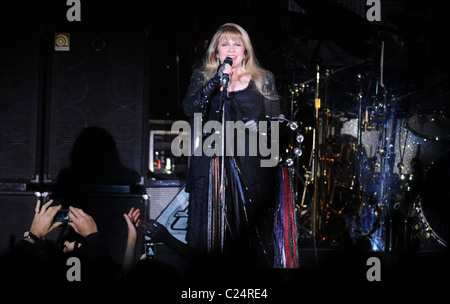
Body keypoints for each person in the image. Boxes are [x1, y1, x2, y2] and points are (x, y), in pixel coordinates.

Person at [181, 23, 283, 267]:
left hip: (251, 168)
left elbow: (276, 123)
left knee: (251, 240)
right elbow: (189, 109)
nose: (232, 49)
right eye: (225, 44)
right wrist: (215, 80)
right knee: (210, 238)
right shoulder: (203, 77)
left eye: (238, 44)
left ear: (246, 52)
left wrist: (260, 130)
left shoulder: (262, 79)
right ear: (216, 52)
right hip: (212, 166)